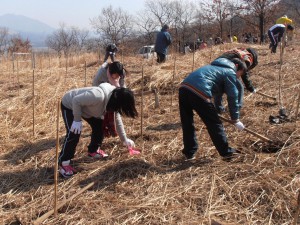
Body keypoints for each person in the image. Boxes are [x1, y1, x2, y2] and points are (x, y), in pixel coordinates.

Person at [58, 84, 138, 178]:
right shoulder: (98, 96)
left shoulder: (114, 99)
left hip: (86, 109)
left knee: (99, 126)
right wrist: (76, 120)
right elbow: (76, 100)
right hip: (70, 105)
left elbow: (117, 120)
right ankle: (64, 163)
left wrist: (124, 139)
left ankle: (94, 150)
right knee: (74, 132)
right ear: (117, 102)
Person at [179, 57, 247, 160]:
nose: (238, 77)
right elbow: (232, 95)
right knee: (214, 123)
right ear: (236, 66)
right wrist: (235, 119)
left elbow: (216, 90)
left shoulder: (213, 67)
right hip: (199, 91)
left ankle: (189, 152)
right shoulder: (230, 71)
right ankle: (226, 153)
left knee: (187, 122)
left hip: (184, 88)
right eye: (240, 74)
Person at [213, 47, 258, 113]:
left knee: (219, 86)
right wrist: (250, 88)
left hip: (214, 67)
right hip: (225, 69)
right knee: (239, 87)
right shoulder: (247, 57)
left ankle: (219, 109)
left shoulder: (236, 51)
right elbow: (244, 74)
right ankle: (236, 109)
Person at [93, 61, 128, 137]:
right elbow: (95, 88)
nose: (118, 77)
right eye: (116, 75)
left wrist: (123, 96)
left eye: (119, 75)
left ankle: (118, 133)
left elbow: (122, 86)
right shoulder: (101, 74)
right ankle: (101, 130)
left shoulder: (122, 73)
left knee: (116, 113)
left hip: (114, 91)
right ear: (111, 73)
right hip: (102, 92)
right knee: (101, 115)